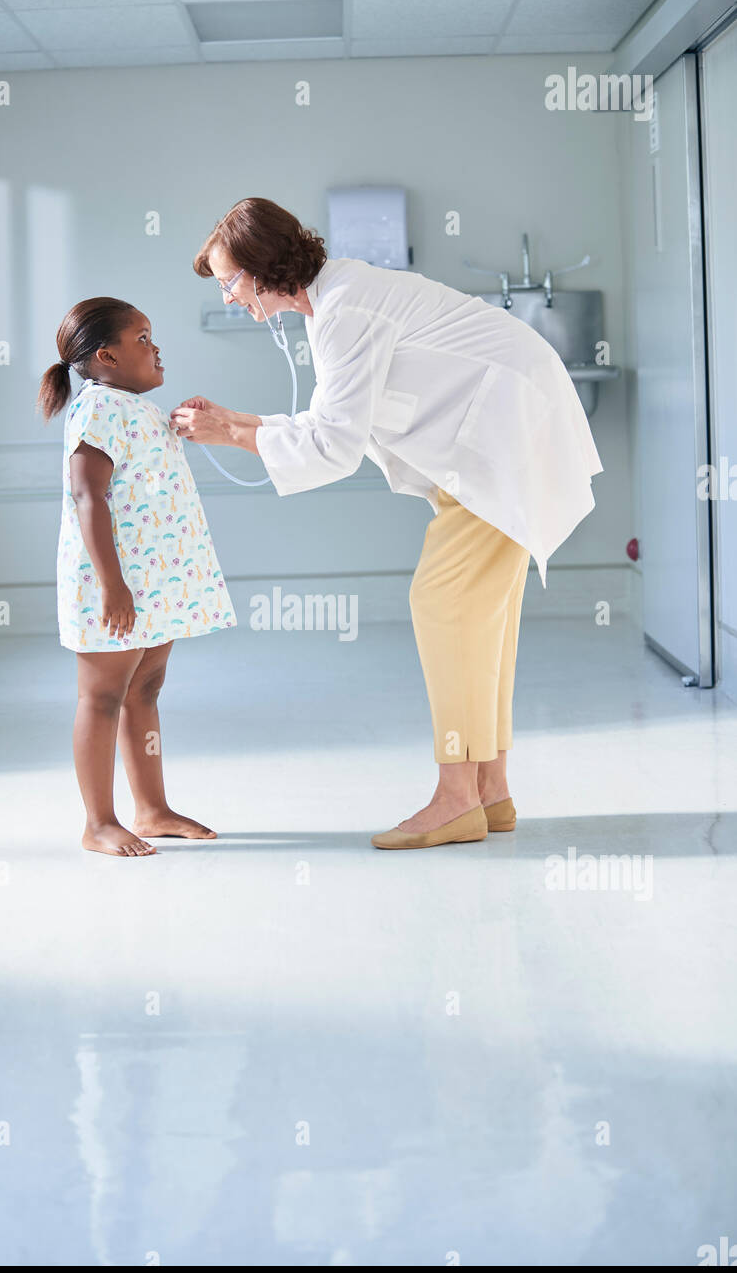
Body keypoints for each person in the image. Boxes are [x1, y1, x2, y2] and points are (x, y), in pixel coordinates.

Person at [171, 198, 604, 851]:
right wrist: (233, 425)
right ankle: (489, 790)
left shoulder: (345, 309)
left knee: (444, 606)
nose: (230, 297)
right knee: (479, 616)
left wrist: (230, 434)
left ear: (263, 268)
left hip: (503, 442)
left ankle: (456, 798)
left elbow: (333, 448)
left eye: (230, 280)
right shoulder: (337, 301)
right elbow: (335, 424)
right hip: (497, 444)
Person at [39, 297, 235, 856]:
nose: (156, 347)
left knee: (145, 690)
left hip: (154, 583)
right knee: (101, 696)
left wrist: (187, 423)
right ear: (106, 355)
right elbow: (88, 496)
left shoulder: (135, 409)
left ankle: (151, 809)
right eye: (143, 338)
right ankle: (98, 822)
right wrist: (112, 585)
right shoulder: (98, 410)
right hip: (117, 584)